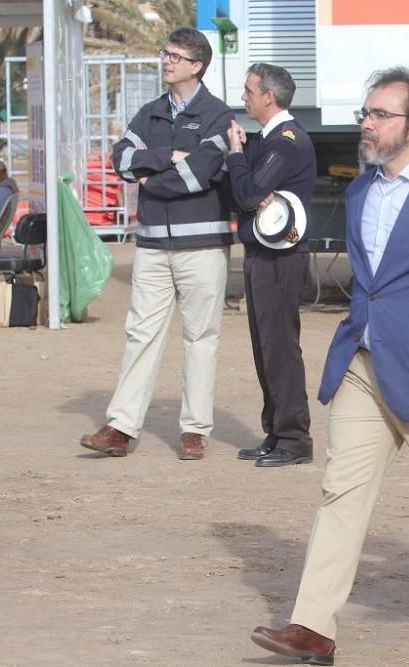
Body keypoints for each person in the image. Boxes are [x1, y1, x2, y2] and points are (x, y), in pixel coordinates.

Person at [249, 67, 409, 665]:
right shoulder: (361, 190)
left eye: (380, 115)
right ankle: (313, 627)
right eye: (364, 114)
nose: (366, 124)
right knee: (341, 491)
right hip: (362, 365)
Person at [79, 28, 234, 461]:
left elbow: (201, 173)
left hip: (202, 246)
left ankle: (194, 431)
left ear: (196, 65)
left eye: (174, 55)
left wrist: (154, 177)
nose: (165, 60)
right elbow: (121, 160)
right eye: (165, 53)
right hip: (151, 246)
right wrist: (169, 157)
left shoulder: (219, 117)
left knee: (201, 337)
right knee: (139, 334)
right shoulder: (148, 113)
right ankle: (121, 427)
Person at [226, 63, 316, 467]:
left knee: (279, 347)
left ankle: (294, 440)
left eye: (249, 90)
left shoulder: (286, 141)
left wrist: (234, 154)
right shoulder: (270, 139)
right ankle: (276, 432)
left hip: (279, 258)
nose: (243, 96)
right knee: (266, 348)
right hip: (263, 254)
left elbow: (246, 194)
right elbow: (248, 194)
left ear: (269, 97)